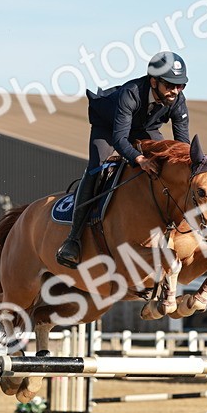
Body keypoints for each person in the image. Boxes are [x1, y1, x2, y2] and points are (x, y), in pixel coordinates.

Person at [55, 51, 190, 268]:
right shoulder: (132, 93)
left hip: (145, 128)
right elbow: (119, 138)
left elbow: (183, 146)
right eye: (170, 85)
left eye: (181, 86)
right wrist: (139, 159)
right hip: (108, 128)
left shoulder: (178, 101)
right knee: (97, 168)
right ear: (153, 81)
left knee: (166, 160)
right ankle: (73, 239)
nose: (175, 91)